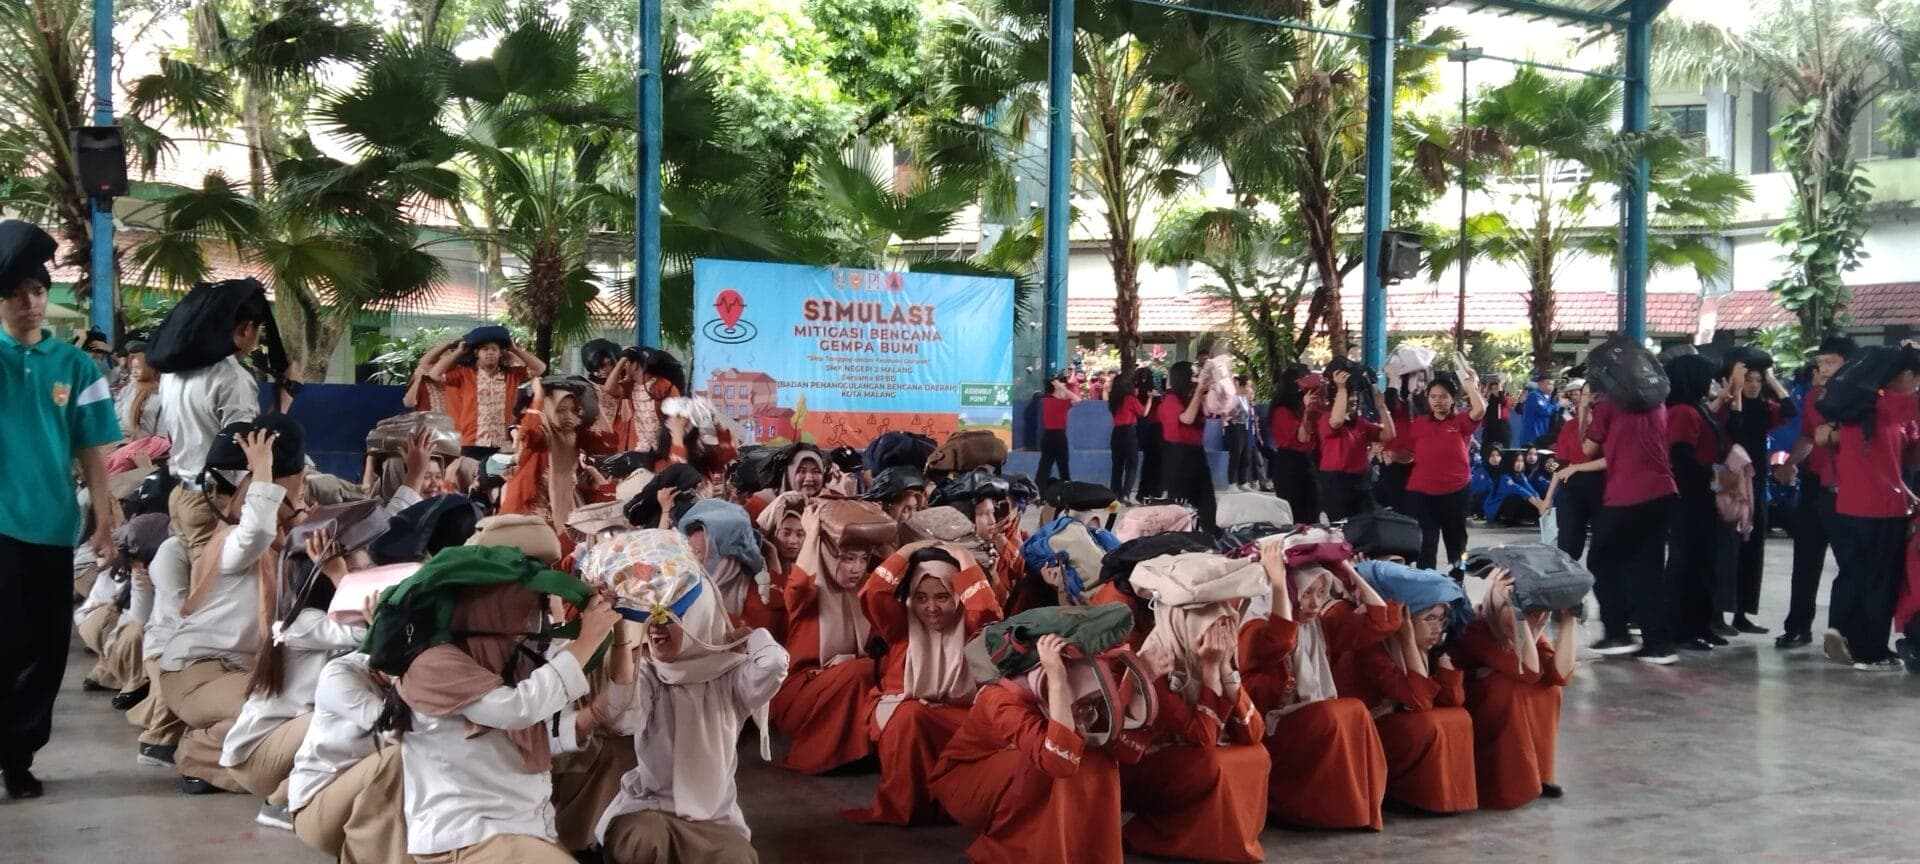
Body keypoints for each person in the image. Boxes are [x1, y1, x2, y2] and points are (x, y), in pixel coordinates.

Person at [0, 220, 123, 798]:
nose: (30, 302)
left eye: (39, 290)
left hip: (51, 525)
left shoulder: (75, 368)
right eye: (18, 291)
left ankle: (18, 754)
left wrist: (103, 517)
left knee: (45, 651)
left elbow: (92, 449)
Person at [591, 533, 790, 864]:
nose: (657, 627)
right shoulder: (650, 674)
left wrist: (753, 636)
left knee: (737, 858)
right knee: (644, 840)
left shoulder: (730, 677)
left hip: (714, 819)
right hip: (650, 810)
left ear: (698, 614)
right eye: (652, 616)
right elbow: (621, 719)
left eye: (671, 614)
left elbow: (773, 665)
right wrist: (622, 636)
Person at [395, 574, 621, 863]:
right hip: (471, 834)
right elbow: (518, 710)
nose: (536, 617)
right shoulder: (431, 663)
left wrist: (591, 716)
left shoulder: (504, 660)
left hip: (518, 829)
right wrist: (588, 639)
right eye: (525, 603)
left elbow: (536, 730)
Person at [157, 419, 308, 794]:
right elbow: (258, 529)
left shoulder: (283, 554)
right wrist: (263, 470)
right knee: (285, 712)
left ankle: (221, 738)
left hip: (235, 674)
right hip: (196, 674)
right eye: (292, 497)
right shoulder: (233, 546)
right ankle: (199, 752)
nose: (301, 505)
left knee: (303, 705)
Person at [929, 634, 1142, 864]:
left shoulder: (1078, 678)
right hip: (964, 782)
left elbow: (1128, 752)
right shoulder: (1001, 697)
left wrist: (1143, 678)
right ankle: (1013, 852)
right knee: (1048, 761)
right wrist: (1058, 681)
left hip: (1014, 767)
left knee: (1099, 758)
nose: (1084, 706)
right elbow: (1057, 760)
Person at [1237, 535, 1393, 830]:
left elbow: (1380, 620)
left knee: (1351, 711)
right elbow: (1281, 638)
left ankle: (1356, 809)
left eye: (1322, 593)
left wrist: (1346, 570)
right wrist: (1280, 583)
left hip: (1304, 722)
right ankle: (1316, 810)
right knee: (1337, 713)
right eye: (1306, 593)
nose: (1315, 603)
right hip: (1271, 729)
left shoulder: (1317, 625)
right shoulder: (1254, 628)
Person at [844, 544, 1001, 825]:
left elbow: (987, 609)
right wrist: (909, 549)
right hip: (906, 706)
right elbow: (873, 593)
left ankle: (958, 805)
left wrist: (962, 556)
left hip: (960, 711)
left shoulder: (970, 626)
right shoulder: (901, 625)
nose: (931, 608)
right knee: (909, 718)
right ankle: (907, 806)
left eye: (942, 597)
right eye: (921, 597)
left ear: (957, 595)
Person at [1123, 591, 1267, 862]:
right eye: (1209, 633)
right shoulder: (1157, 661)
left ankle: (1220, 842)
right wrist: (1210, 669)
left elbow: (1254, 732)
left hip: (1189, 751)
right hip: (1145, 763)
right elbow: (1202, 737)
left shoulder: (1210, 656)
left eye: (1223, 633)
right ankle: (1167, 839)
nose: (1218, 643)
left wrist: (1224, 667)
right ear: (1184, 628)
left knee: (1255, 753)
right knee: (1208, 761)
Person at [1337, 560, 1477, 815]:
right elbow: (1420, 700)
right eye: (1429, 618)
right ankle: (1404, 793)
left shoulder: (1429, 650)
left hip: (1399, 716)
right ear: (1407, 622)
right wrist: (1408, 640)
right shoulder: (1372, 651)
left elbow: (1452, 699)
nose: (1438, 628)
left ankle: (1443, 798)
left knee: (1459, 717)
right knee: (1426, 724)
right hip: (1369, 730)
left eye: (1441, 619)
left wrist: (1444, 662)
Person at [768, 503, 886, 774]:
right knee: (862, 669)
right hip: (800, 692)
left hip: (844, 685)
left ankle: (863, 750)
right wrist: (812, 535)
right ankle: (829, 755)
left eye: (863, 559)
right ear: (827, 556)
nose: (857, 568)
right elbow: (798, 584)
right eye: (847, 558)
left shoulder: (864, 593)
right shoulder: (807, 595)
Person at [157, 285, 272, 561]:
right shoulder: (233, 378)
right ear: (246, 329)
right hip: (213, 501)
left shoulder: (172, 372)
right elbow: (243, 452)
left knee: (193, 586)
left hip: (182, 495)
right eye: (259, 330)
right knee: (209, 592)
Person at [1448, 568, 1577, 809]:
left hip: (1503, 685)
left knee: (1548, 688)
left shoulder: (1531, 630)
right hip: (1468, 697)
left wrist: (1570, 618)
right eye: (1525, 612)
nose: (1534, 619)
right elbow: (1527, 670)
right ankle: (1506, 784)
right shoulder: (1476, 627)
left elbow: (1560, 675)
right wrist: (1518, 616)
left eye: (1539, 612)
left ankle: (1539, 775)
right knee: (1508, 687)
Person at [1825, 347, 1920, 672]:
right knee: (1881, 580)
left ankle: (1840, 632)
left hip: (1848, 505)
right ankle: (1871, 652)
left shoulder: (1858, 407)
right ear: (1906, 376)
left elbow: (1891, 463)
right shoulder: (1892, 404)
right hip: (1882, 510)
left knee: (1854, 573)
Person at [1583, 369, 1679, 664]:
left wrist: (1586, 407)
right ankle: (1658, 643)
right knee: (1646, 567)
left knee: (1600, 559)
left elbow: (1587, 448)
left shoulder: (1607, 405)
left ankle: (1617, 632)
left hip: (1626, 495)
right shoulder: (1657, 404)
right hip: (1663, 493)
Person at [287, 651, 409, 864]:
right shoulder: (339, 674)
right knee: (396, 758)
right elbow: (393, 730)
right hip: (318, 804)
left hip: (365, 798)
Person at [1777, 335, 1855, 647]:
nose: (1823, 369)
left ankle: (1842, 632)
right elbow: (1809, 438)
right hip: (1814, 484)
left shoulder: (1862, 398)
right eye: (1821, 362)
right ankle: (1798, 626)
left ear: (1849, 365)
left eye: (1831, 362)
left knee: (1849, 563)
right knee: (1806, 559)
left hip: (1848, 485)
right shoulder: (1812, 397)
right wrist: (1788, 463)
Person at [1714, 356, 1796, 636]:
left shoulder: (1763, 408)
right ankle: (1717, 613)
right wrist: (1735, 389)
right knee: (1727, 548)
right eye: (1749, 379)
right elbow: (1733, 428)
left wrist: (1772, 378)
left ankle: (1742, 613)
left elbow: (1790, 409)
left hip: (1756, 486)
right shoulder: (1724, 408)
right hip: (1730, 485)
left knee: (1752, 549)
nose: (1754, 385)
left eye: (1758, 380)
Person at [1663, 355, 1726, 652]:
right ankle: (1683, 627)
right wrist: (1715, 476)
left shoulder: (1697, 408)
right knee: (1687, 563)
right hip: (1689, 498)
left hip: (1703, 496)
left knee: (1704, 562)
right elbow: (1680, 457)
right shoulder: (1683, 412)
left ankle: (1701, 624)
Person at [1402, 360, 1489, 569]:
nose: (1438, 401)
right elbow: (1404, 450)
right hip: (1422, 494)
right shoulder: (1419, 424)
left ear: (1453, 399)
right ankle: (1427, 589)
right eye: (1433, 397)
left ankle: (1457, 581)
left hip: (1456, 492)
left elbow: (1480, 408)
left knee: (1457, 543)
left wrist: (1469, 384)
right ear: (1427, 399)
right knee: (1426, 544)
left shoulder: (1460, 422)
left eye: (1443, 397)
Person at [428, 327, 546, 461]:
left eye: (494, 349)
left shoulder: (512, 375)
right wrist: (458, 352)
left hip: (500, 444)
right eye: (485, 349)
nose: (490, 352)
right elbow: (434, 374)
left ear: (500, 353)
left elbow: (540, 368)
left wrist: (515, 349)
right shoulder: (464, 374)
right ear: (476, 353)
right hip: (471, 442)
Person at [1316, 368, 1395, 522]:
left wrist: (1381, 407)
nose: (1353, 399)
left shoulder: (1360, 424)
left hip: (1361, 482)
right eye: (1350, 395)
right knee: (1343, 528)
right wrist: (1341, 389)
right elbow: (1337, 421)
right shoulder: (1326, 419)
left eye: (1355, 395)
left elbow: (1389, 435)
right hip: (1336, 483)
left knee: (1368, 525)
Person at [1157, 361, 1219, 534]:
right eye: (1192, 375)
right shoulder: (1170, 399)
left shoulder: (1191, 398)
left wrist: (1209, 390)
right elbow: (1186, 419)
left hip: (1196, 454)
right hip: (1179, 455)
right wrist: (1198, 393)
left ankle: (1209, 533)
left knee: (1206, 500)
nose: (1196, 378)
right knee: (1181, 503)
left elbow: (1211, 413)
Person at [1547, 379, 1603, 561]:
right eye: (1579, 394)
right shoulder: (1569, 426)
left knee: (1602, 544)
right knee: (1568, 543)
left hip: (1601, 485)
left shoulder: (1607, 423)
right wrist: (1547, 498)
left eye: (1586, 394)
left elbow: (1611, 458)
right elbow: (1560, 465)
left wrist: (1576, 467)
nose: (1581, 399)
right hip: (1571, 486)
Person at [1266, 367, 1321, 523]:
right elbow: (1302, 438)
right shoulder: (1281, 411)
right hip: (1289, 464)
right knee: (1295, 515)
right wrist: (1307, 410)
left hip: (1308, 462)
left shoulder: (1304, 407)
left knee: (1313, 511)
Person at [1107, 369, 1152, 504]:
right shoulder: (1130, 399)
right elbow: (1143, 413)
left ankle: (1115, 493)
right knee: (1131, 465)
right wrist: (1150, 398)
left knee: (1117, 466)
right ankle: (1126, 494)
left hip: (1116, 434)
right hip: (1129, 433)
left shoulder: (1113, 399)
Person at [1035, 375, 1079, 487]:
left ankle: (1039, 494)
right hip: (1059, 437)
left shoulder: (1045, 401)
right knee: (1063, 467)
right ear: (1056, 388)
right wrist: (1062, 389)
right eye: (1062, 385)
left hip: (1047, 437)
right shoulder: (1061, 403)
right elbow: (1078, 399)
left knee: (1044, 467)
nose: (1065, 387)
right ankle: (1067, 492)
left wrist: (1060, 387)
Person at [401, 336, 462, 414]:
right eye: (438, 360)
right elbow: (408, 402)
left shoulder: (456, 374)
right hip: (430, 421)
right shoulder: (423, 375)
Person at [118, 339, 163, 439]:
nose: (134, 372)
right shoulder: (127, 390)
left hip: (150, 447)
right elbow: (118, 418)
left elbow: (162, 429)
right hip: (125, 442)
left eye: (138, 367)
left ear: (149, 368)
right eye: (132, 368)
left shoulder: (161, 393)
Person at [1224, 375, 1258, 492]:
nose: (1250, 389)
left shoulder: (1245, 398)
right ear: (1242, 386)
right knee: (1236, 454)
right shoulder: (1234, 397)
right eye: (1248, 386)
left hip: (1245, 427)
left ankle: (1243, 481)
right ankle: (1232, 483)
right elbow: (1227, 412)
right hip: (1235, 427)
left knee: (1246, 455)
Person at [1515, 371, 1557, 448]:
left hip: (1540, 438)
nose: (1551, 387)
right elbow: (1545, 411)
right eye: (1548, 384)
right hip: (1531, 438)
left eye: (1553, 385)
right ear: (1540, 384)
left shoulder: (1545, 398)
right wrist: (1558, 404)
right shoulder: (1534, 396)